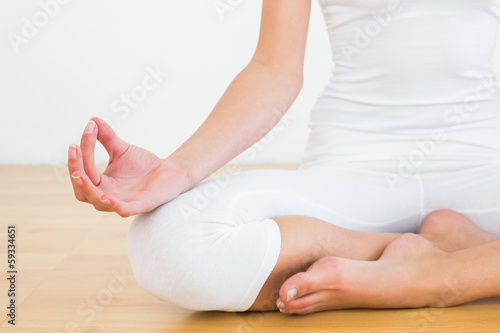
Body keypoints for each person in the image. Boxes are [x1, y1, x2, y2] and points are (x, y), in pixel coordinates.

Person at [67, 0, 500, 314]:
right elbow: (275, 69)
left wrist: (439, 280)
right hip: (352, 171)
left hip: (484, 168)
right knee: (164, 242)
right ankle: (451, 253)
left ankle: (431, 274)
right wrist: (177, 170)